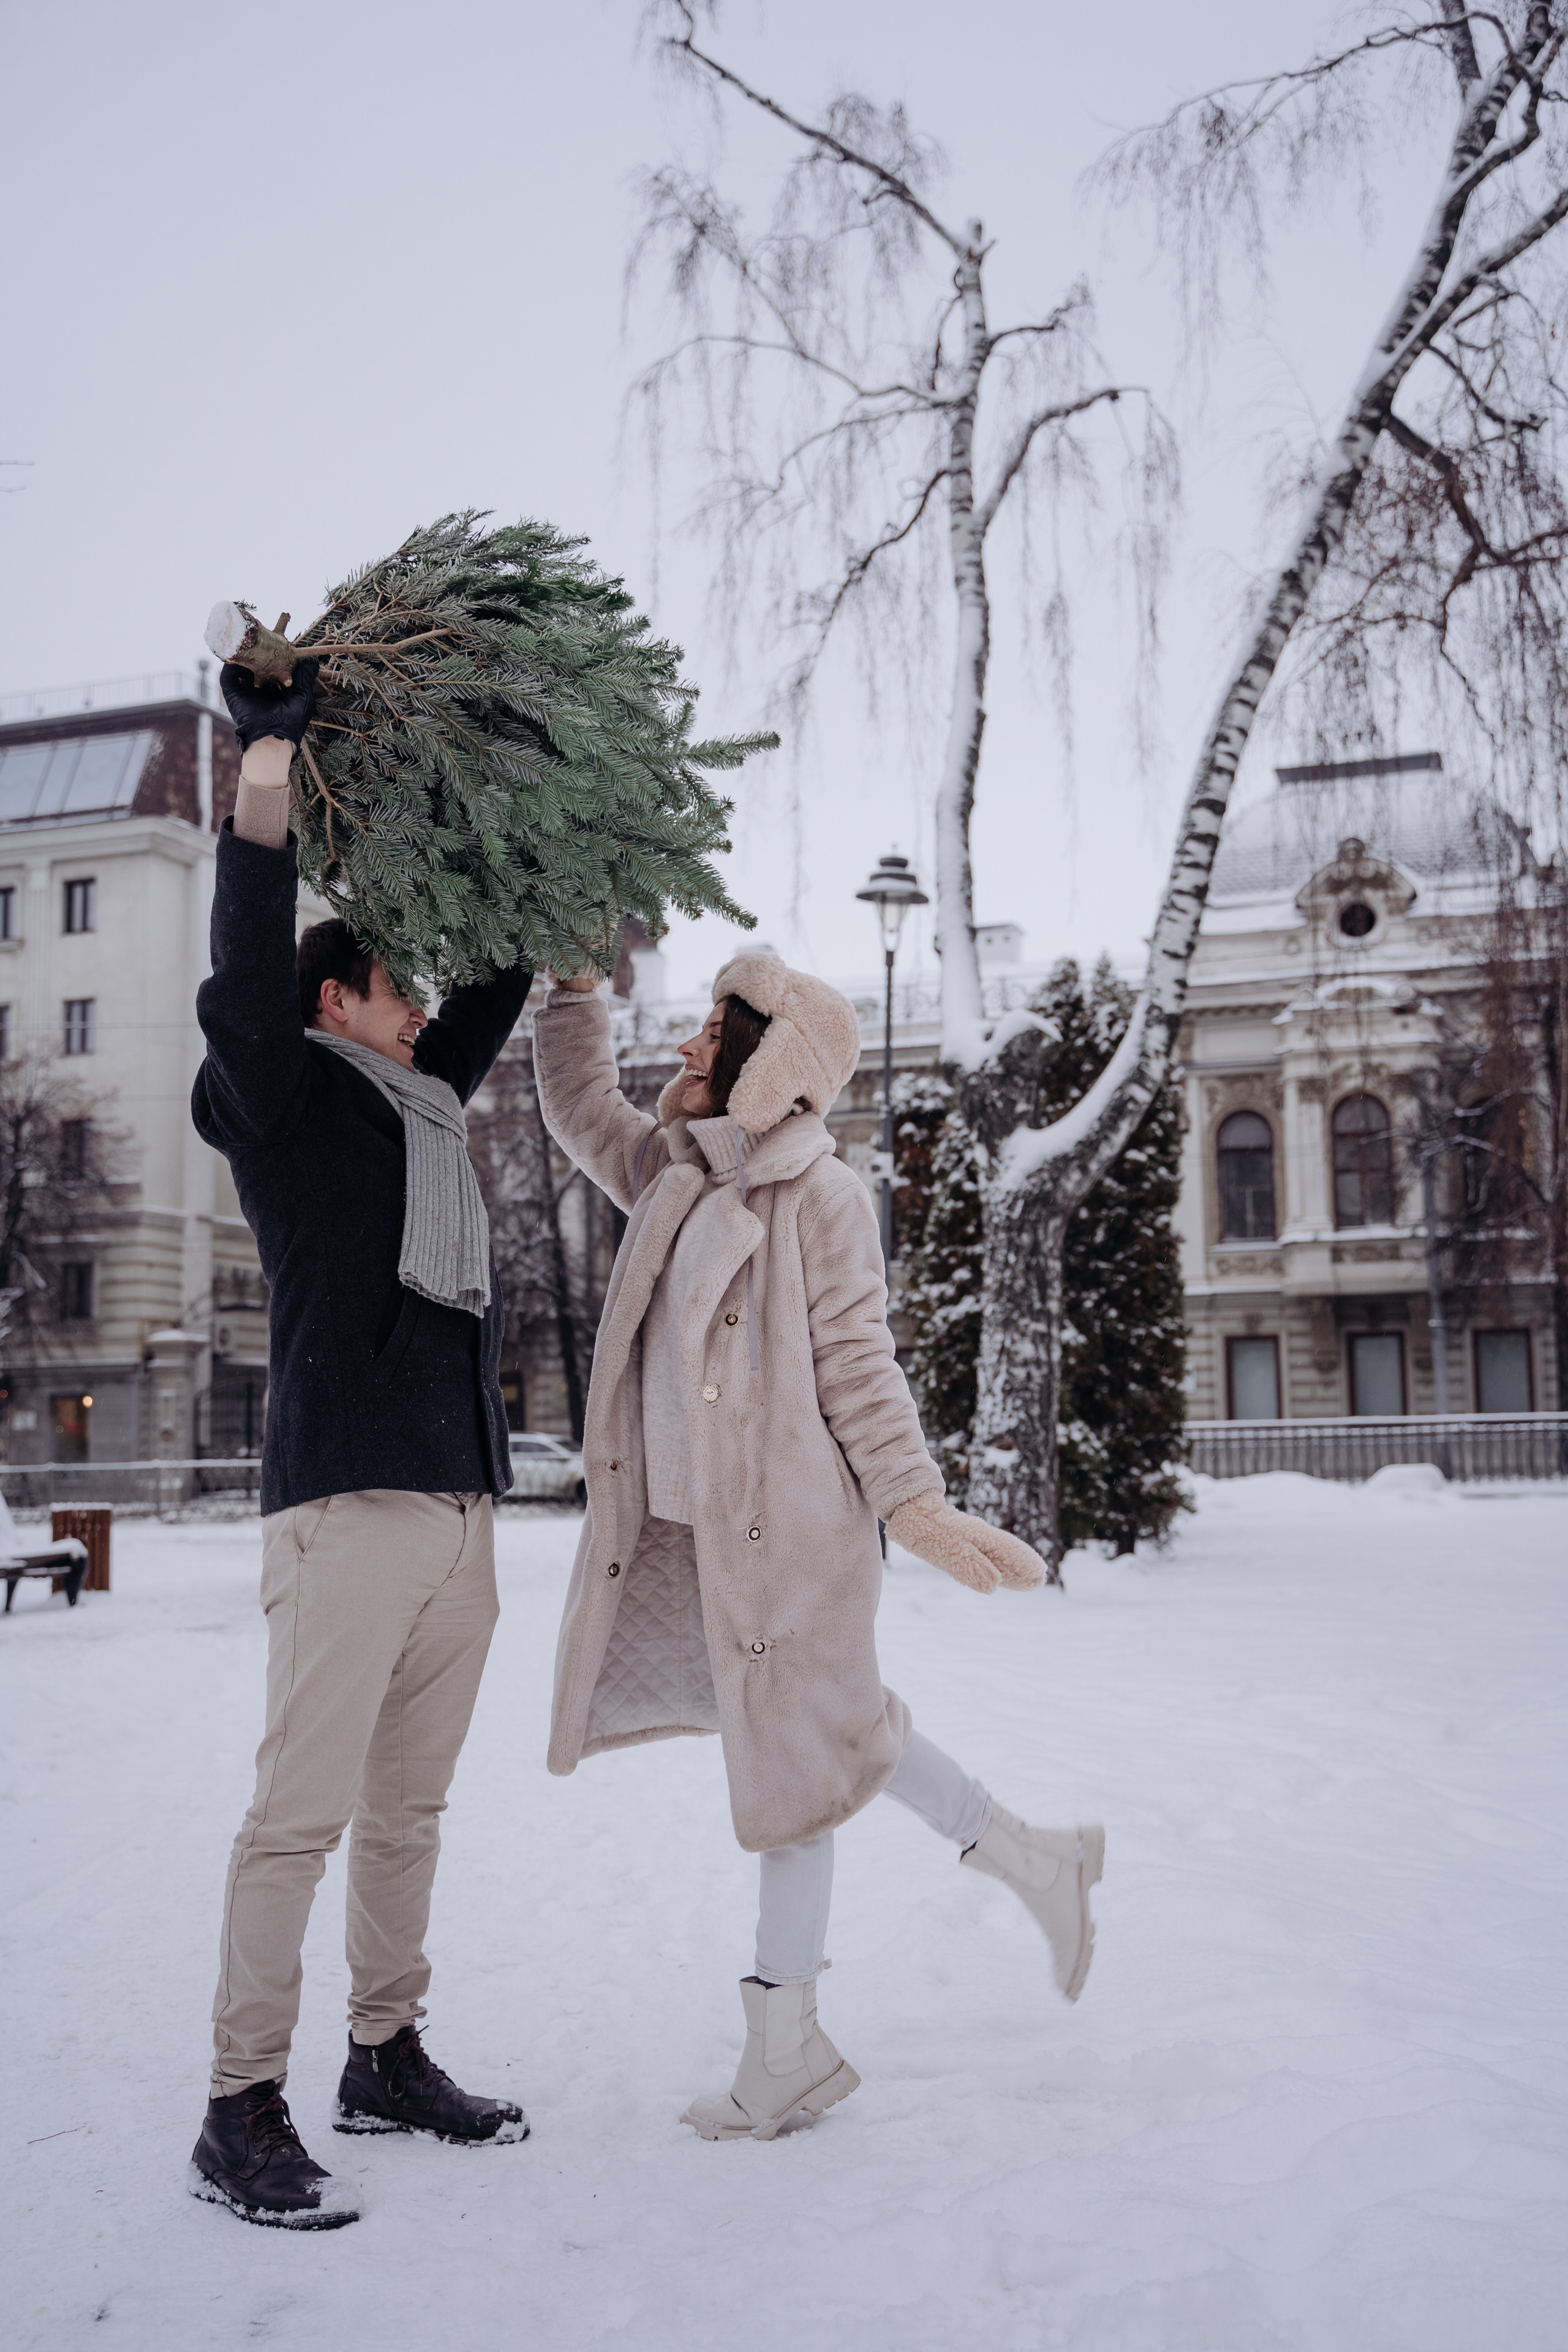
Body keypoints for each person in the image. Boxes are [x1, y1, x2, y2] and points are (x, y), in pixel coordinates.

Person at [534, 952, 1105, 2143]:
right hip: (696, 1540)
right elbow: (579, 1106)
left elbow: (857, 1361)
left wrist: (916, 1506)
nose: (687, 1049)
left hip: (787, 1534)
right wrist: (574, 995)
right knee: (839, 1735)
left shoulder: (820, 1198)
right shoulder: (671, 1172)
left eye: (710, 1033)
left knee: (793, 1778)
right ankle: (1036, 1863)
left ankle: (783, 2046)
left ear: (762, 1063)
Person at [186, 658, 532, 2230]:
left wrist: (538, 848)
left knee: (411, 1814)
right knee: (299, 1818)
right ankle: (237, 2103)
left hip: (458, 1505)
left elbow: (491, 995)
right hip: (345, 1502)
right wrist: (266, 770)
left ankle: (381, 2054)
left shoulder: (425, 1109)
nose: (420, 1013)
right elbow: (248, 958)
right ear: (339, 1002)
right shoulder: (284, 1093)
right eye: (398, 990)